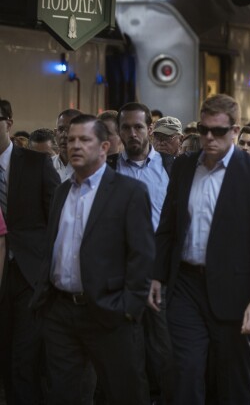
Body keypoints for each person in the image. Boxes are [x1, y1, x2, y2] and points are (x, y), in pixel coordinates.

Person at [151, 94, 250, 404]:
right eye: (203, 129)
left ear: (234, 131)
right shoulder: (183, 167)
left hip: (233, 290)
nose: (209, 137)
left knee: (232, 378)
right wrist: (156, 276)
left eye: (218, 131)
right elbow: (168, 225)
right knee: (185, 370)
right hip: (186, 285)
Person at [30, 114, 154, 404]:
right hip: (61, 312)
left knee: (124, 392)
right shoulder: (62, 191)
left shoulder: (129, 192)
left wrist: (129, 309)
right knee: (64, 394)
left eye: (84, 139)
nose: (74, 145)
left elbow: (142, 255)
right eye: (71, 139)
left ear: (104, 147)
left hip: (109, 311)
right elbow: (53, 246)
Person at [0, 99, 60, 404]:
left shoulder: (36, 163)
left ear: (9, 123)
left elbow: (55, 220)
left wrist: (49, 272)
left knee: (24, 357)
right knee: (5, 354)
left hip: (28, 274)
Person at [114, 102, 175, 403]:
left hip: (160, 269)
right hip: (120, 270)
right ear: (118, 131)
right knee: (126, 348)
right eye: (126, 127)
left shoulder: (170, 166)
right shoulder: (110, 167)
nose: (132, 133)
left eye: (138, 127)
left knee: (163, 346)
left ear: (150, 129)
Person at [53, 108, 83, 181]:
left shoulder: (91, 168)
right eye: (61, 129)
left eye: (70, 129)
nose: (64, 135)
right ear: (55, 132)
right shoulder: (48, 166)